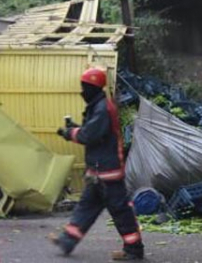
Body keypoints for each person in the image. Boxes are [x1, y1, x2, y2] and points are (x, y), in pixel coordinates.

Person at [52, 68, 143, 260]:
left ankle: (134, 250)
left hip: (108, 172)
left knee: (120, 212)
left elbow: (89, 135)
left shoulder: (102, 108)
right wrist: (76, 129)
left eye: (84, 87)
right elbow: (91, 131)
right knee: (86, 207)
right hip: (99, 172)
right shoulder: (98, 106)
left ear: (92, 88)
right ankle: (67, 241)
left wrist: (69, 133)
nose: (82, 91)